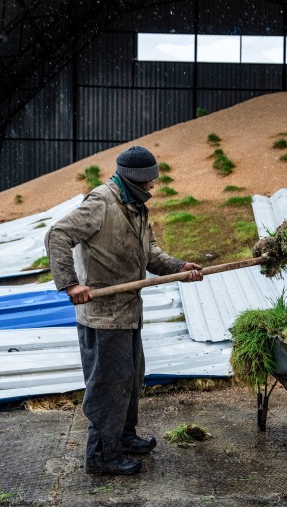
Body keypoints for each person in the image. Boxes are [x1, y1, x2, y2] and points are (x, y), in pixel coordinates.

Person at [44, 145, 203, 475]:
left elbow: (151, 254)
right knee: (108, 387)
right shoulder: (101, 202)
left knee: (130, 381)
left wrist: (179, 267)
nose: (152, 188)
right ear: (133, 180)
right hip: (103, 317)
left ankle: (124, 438)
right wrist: (71, 284)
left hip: (129, 312)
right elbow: (57, 234)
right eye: (148, 183)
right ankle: (102, 455)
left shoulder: (136, 208)